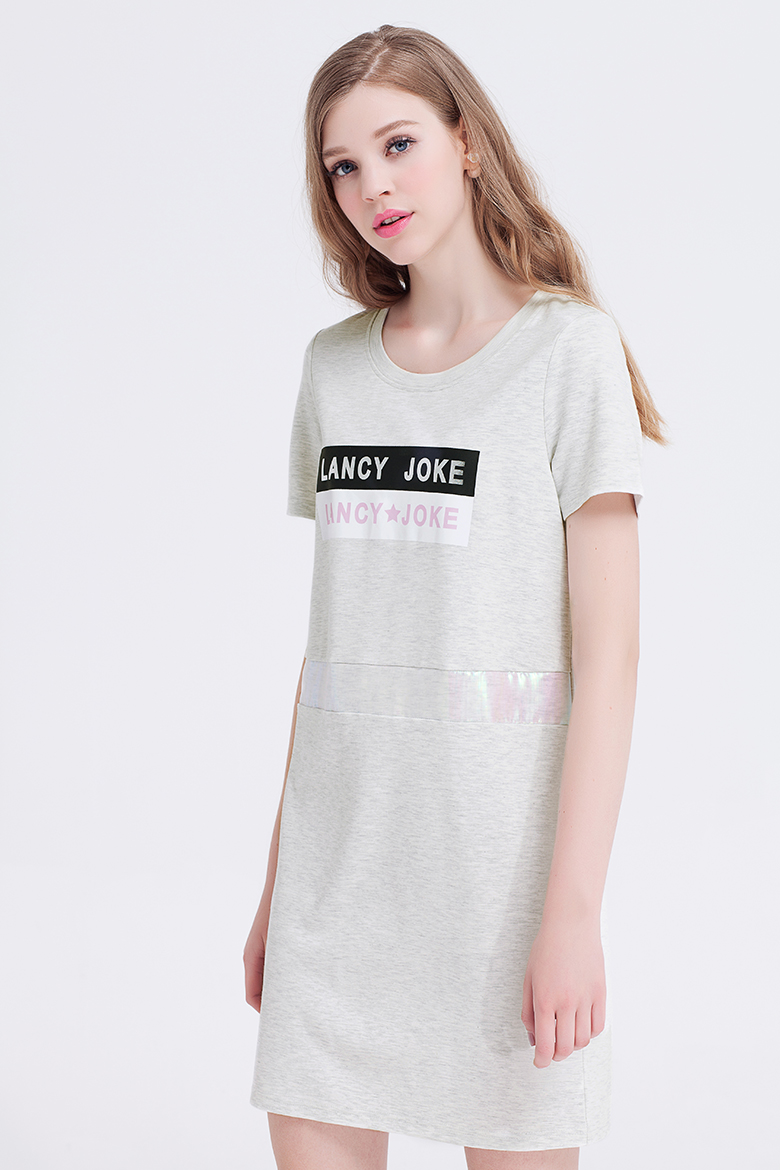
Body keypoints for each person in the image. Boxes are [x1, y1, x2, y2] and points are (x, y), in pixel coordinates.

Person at [243, 23, 666, 1170]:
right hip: (337, 891)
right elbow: (335, 648)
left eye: (398, 145)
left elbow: (612, 659)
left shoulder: (569, 353)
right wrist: (279, 889)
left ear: (466, 143)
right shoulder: (335, 367)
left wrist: (572, 914)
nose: (372, 186)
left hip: (499, 893)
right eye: (343, 165)